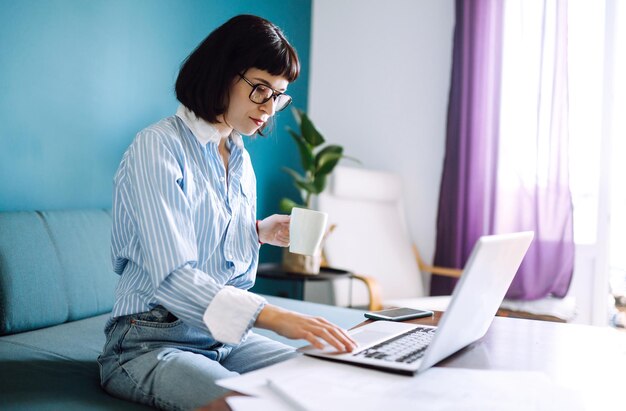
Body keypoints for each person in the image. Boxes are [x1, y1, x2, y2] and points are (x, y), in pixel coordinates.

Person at [97, 14, 356, 411]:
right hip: (149, 343)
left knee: (326, 381)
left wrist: (255, 232)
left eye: (279, 95)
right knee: (252, 404)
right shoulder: (157, 146)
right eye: (260, 89)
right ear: (222, 73)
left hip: (222, 338)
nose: (270, 107)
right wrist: (277, 317)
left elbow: (211, 247)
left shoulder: (239, 159)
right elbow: (173, 276)